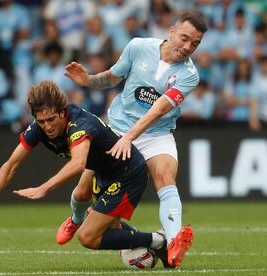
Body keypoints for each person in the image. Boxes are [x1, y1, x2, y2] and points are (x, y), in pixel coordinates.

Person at [60, 11, 207, 268]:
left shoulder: (189, 75)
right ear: (171, 31)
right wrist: (88, 81)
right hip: (116, 128)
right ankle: (75, 218)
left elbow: (158, 110)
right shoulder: (138, 46)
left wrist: (130, 137)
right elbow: (112, 77)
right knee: (84, 189)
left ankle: (173, 243)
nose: (187, 47)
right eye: (184, 38)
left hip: (156, 133)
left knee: (165, 176)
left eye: (195, 43)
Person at [0, 80, 167, 256]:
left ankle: (159, 241)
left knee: (88, 238)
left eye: (51, 120)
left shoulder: (79, 124)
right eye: (41, 121)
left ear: (63, 112)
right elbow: (12, 163)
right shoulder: (39, 128)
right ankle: (77, 220)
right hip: (102, 167)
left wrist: (43, 188)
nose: (47, 127)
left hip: (128, 173)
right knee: (81, 195)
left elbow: (78, 163)